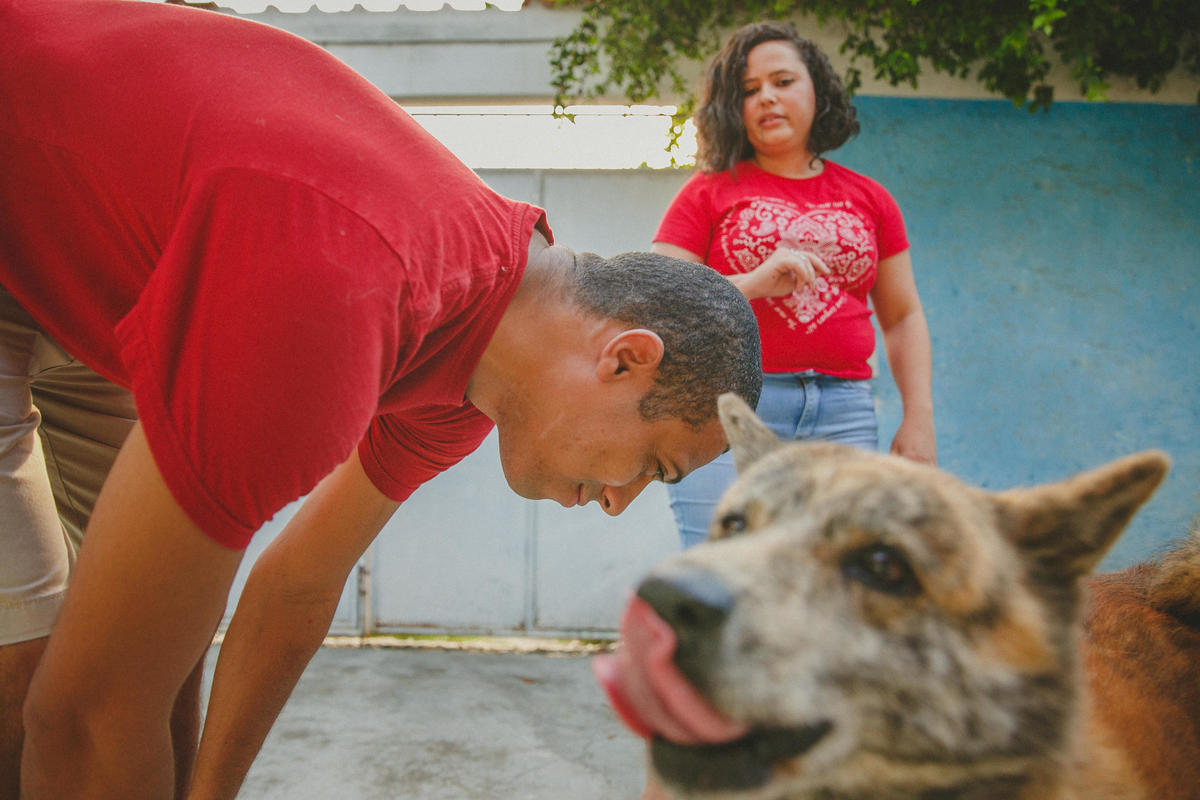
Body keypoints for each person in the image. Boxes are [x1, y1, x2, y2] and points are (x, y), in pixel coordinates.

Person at [0, 2, 763, 798]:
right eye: (650, 464)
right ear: (625, 359)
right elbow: (83, 722)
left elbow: (297, 585)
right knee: (41, 683)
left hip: (99, 267)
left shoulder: (475, 368)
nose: (616, 502)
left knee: (160, 645)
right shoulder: (338, 300)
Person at [651, 21, 937, 549]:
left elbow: (903, 317)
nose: (766, 98)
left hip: (845, 413)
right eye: (749, 90)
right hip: (728, 410)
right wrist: (753, 284)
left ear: (817, 91)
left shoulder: (871, 198)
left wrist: (918, 417)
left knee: (837, 581)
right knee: (724, 570)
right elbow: (659, 301)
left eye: (782, 81)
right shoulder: (706, 193)